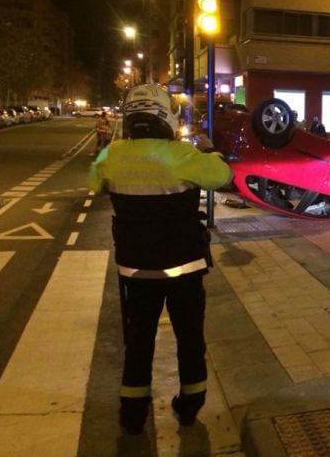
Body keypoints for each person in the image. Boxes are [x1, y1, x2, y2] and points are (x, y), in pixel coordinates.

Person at [88, 84, 233, 435]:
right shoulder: (181, 154)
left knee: (139, 341)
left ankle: (133, 413)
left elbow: (96, 183)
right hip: (184, 267)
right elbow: (223, 176)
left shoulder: (112, 155)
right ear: (164, 115)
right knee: (190, 339)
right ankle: (189, 406)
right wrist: (210, 150)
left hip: (136, 271)